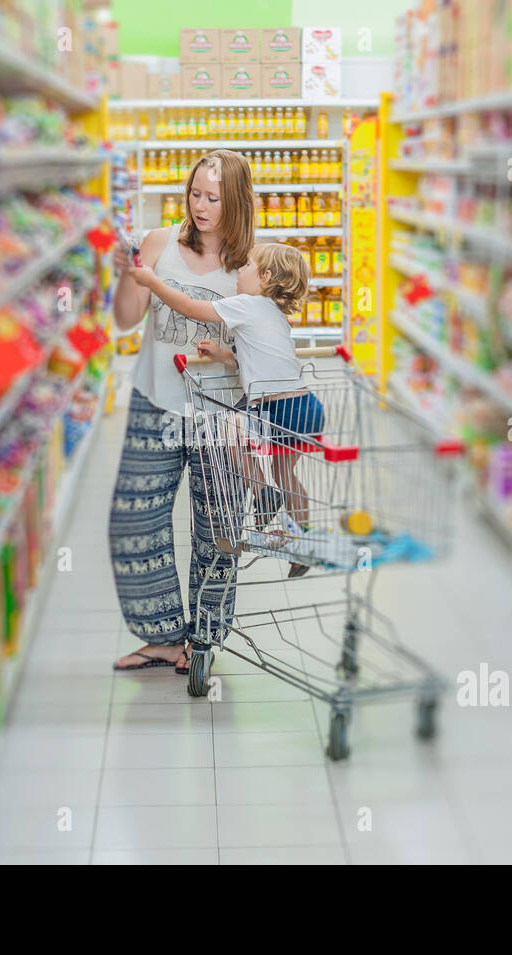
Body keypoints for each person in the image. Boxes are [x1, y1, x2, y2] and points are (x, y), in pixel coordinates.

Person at [109, 150, 256, 673]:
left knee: (218, 528)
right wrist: (130, 276)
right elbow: (127, 321)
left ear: (236, 202)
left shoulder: (247, 268)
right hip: (155, 402)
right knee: (135, 522)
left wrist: (230, 356)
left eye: (214, 198)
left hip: (220, 414)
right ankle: (165, 637)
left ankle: (205, 641)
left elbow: (260, 354)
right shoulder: (158, 243)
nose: (201, 205)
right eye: (195, 193)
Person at [128, 243, 324, 562]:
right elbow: (259, 358)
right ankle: (304, 536)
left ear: (266, 276)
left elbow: (191, 308)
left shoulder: (247, 303)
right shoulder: (275, 312)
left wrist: (153, 282)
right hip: (306, 407)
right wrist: (224, 356)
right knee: (286, 471)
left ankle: (262, 492)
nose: (239, 272)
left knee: (226, 427)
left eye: (245, 266)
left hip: (277, 410)